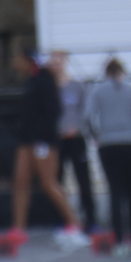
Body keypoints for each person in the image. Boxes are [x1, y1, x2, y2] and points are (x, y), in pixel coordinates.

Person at [11, 52, 87, 249]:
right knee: (20, 181)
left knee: (48, 182)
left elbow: (52, 111)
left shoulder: (44, 81)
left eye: (18, 59)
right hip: (26, 139)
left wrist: (41, 137)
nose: (15, 63)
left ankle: (74, 222)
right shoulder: (30, 82)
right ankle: (19, 227)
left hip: (43, 140)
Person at [86, 57, 131, 255]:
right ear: (122, 72)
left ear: (106, 73)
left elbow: (87, 118)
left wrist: (95, 136)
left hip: (108, 144)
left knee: (115, 192)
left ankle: (119, 241)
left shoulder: (97, 91)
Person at [50, 51, 98, 232]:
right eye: (53, 63)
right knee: (57, 180)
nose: (56, 66)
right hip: (58, 141)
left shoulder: (77, 87)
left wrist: (78, 128)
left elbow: (85, 112)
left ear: (65, 63)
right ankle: (61, 219)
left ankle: (90, 219)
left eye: (59, 62)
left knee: (83, 179)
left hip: (76, 139)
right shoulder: (49, 88)